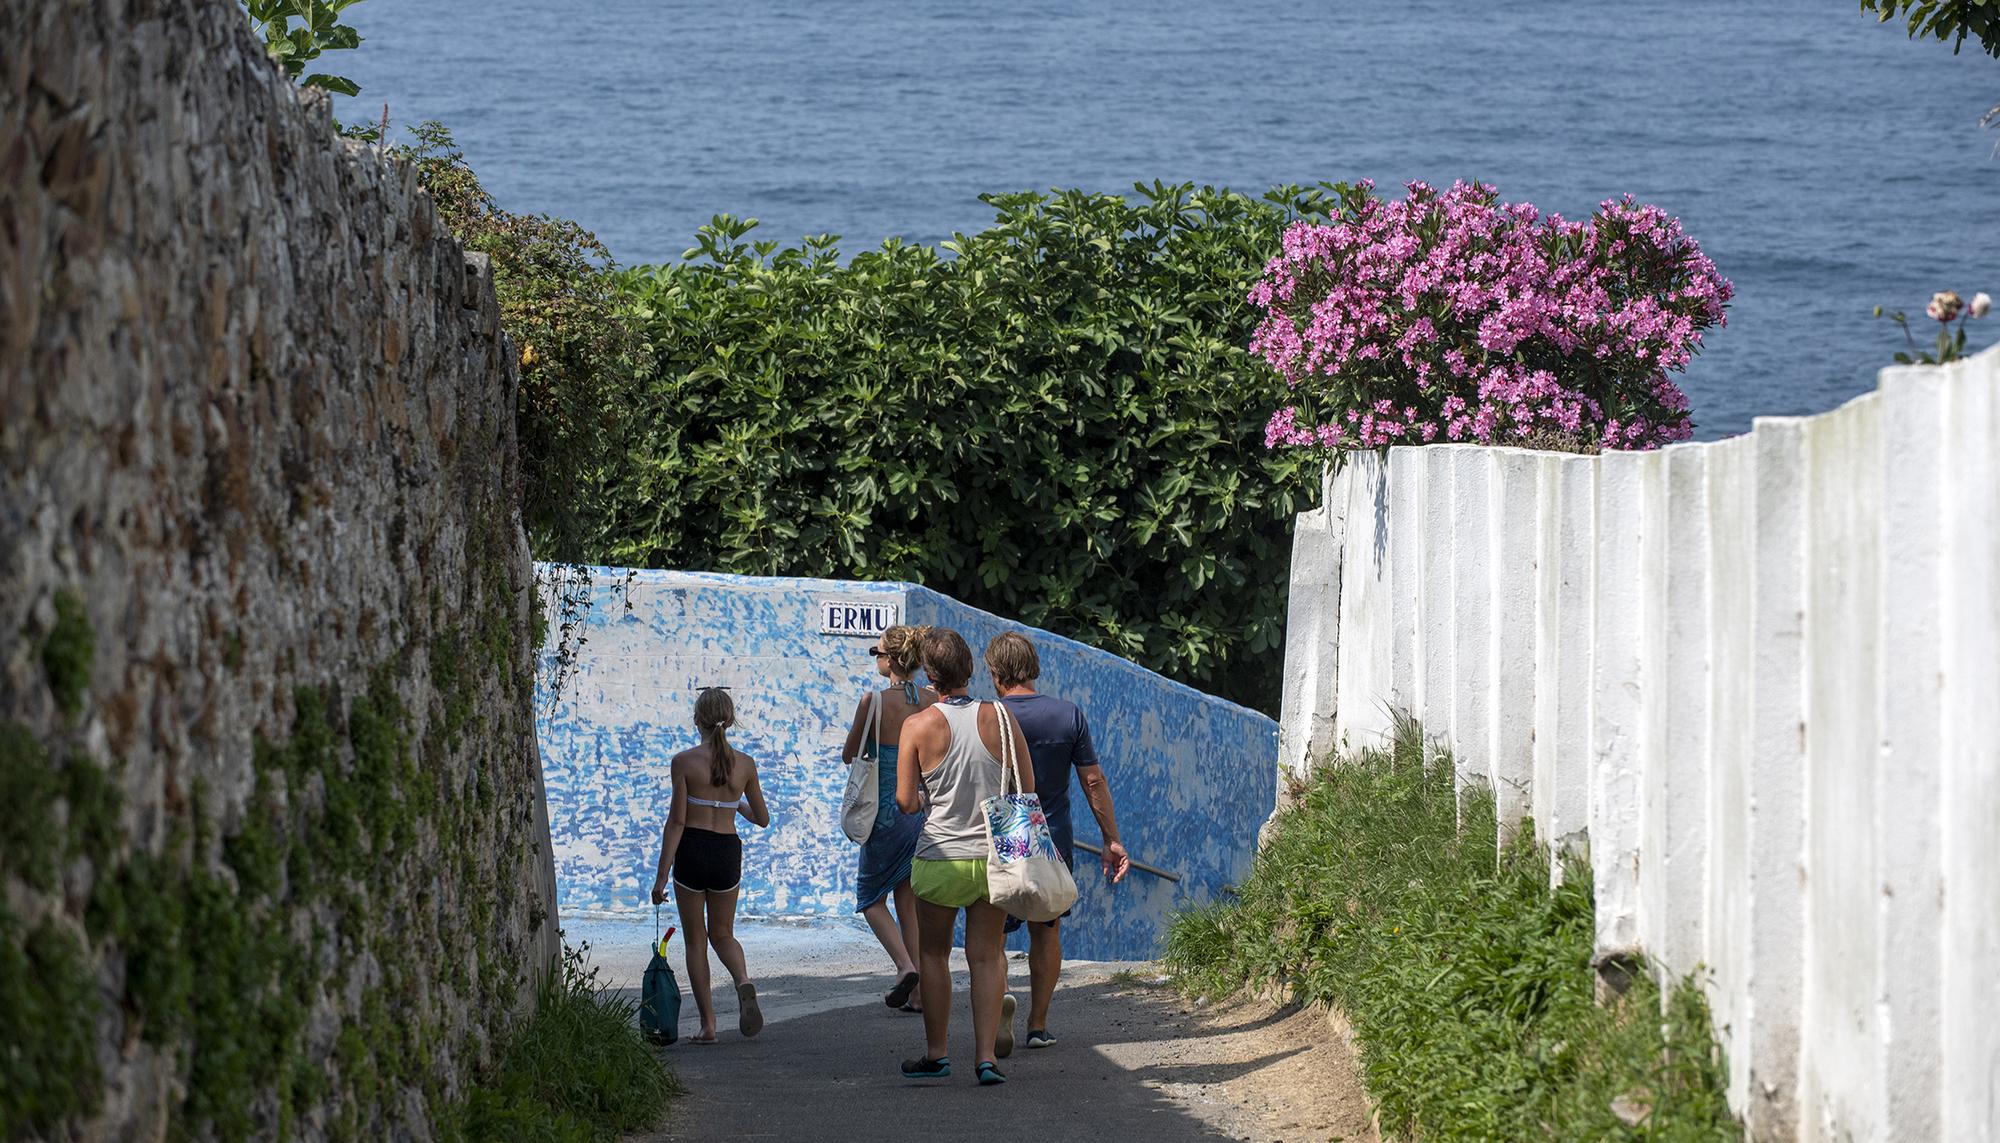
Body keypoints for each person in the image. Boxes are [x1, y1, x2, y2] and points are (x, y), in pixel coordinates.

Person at [895, 627, 1035, 1086]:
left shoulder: (916, 725)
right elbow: (1026, 788)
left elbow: (904, 802)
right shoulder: (1000, 716)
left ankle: (937, 1054)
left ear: (930, 675)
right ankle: (986, 1059)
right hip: (993, 857)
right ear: (971, 669)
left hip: (939, 856)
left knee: (933, 955)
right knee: (986, 956)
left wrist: (925, 796)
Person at [985, 632, 1130, 1051]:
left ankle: (997, 1006)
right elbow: (1093, 781)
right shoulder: (1068, 715)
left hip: (1006, 830)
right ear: (1034, 668)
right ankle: (1037, 1026)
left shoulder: (987, 717)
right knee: (1046, 931)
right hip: (1051, 835)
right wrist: (1112, 840)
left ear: (995, 673)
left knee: (992, 933)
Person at [650, 686, 772, 1044]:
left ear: (697, 720)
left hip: (692, 850)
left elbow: (676, 822)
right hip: (726, 852)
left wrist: (661, 877)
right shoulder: (746, 764)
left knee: (695, 942)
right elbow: (762, 818)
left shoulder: (683, 762)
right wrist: (733, 805)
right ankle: (743, 981)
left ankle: (709, 1026)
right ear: (730, 720)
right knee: (723, 934)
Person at [838, 623, 935, 1011]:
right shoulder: (930, 700)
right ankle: (918, 994)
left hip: (885, 811)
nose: (876, 659)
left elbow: (850, 754)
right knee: (907, 900)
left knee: (870, 898)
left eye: (878, 653)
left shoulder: (873, 702)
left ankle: (904, 967)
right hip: (922, 810)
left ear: (892, 660)